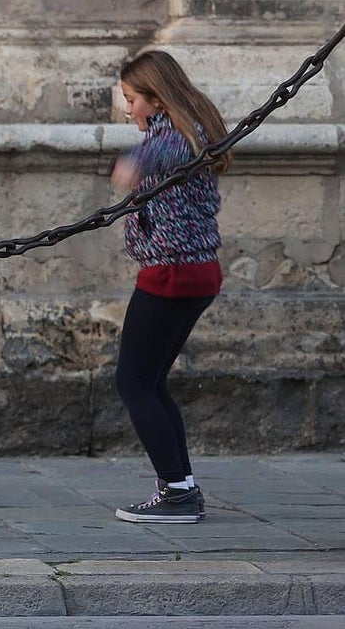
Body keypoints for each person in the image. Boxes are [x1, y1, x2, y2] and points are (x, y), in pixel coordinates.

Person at [109, 50, 230, 525]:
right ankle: (181, 487)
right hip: (190, 272)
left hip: (172, 274)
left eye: (132, 98)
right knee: (150, 382)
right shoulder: (183, 130)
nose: (128, 108)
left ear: (157, 99)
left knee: (133, 382)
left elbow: (166, 154)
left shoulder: (179, 137)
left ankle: (177, 492)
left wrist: (132, 161)